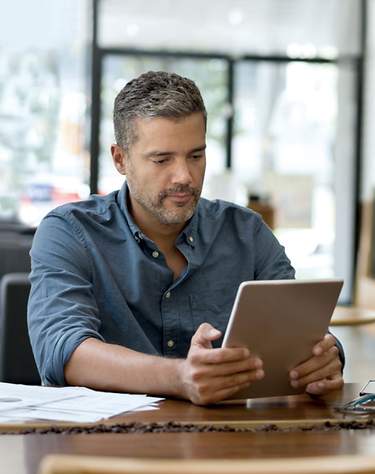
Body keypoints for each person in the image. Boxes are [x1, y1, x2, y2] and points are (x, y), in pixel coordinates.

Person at [28, 71, 344, 405]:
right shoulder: (69, 231)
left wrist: (325, 356)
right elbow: (63, 349)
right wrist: (179, 377)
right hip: (110, 446)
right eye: (162, 159)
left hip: (232, 444)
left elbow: (299, 331)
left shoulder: (247, 232)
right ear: (120, 159)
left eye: (196, 156)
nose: (184, 176)